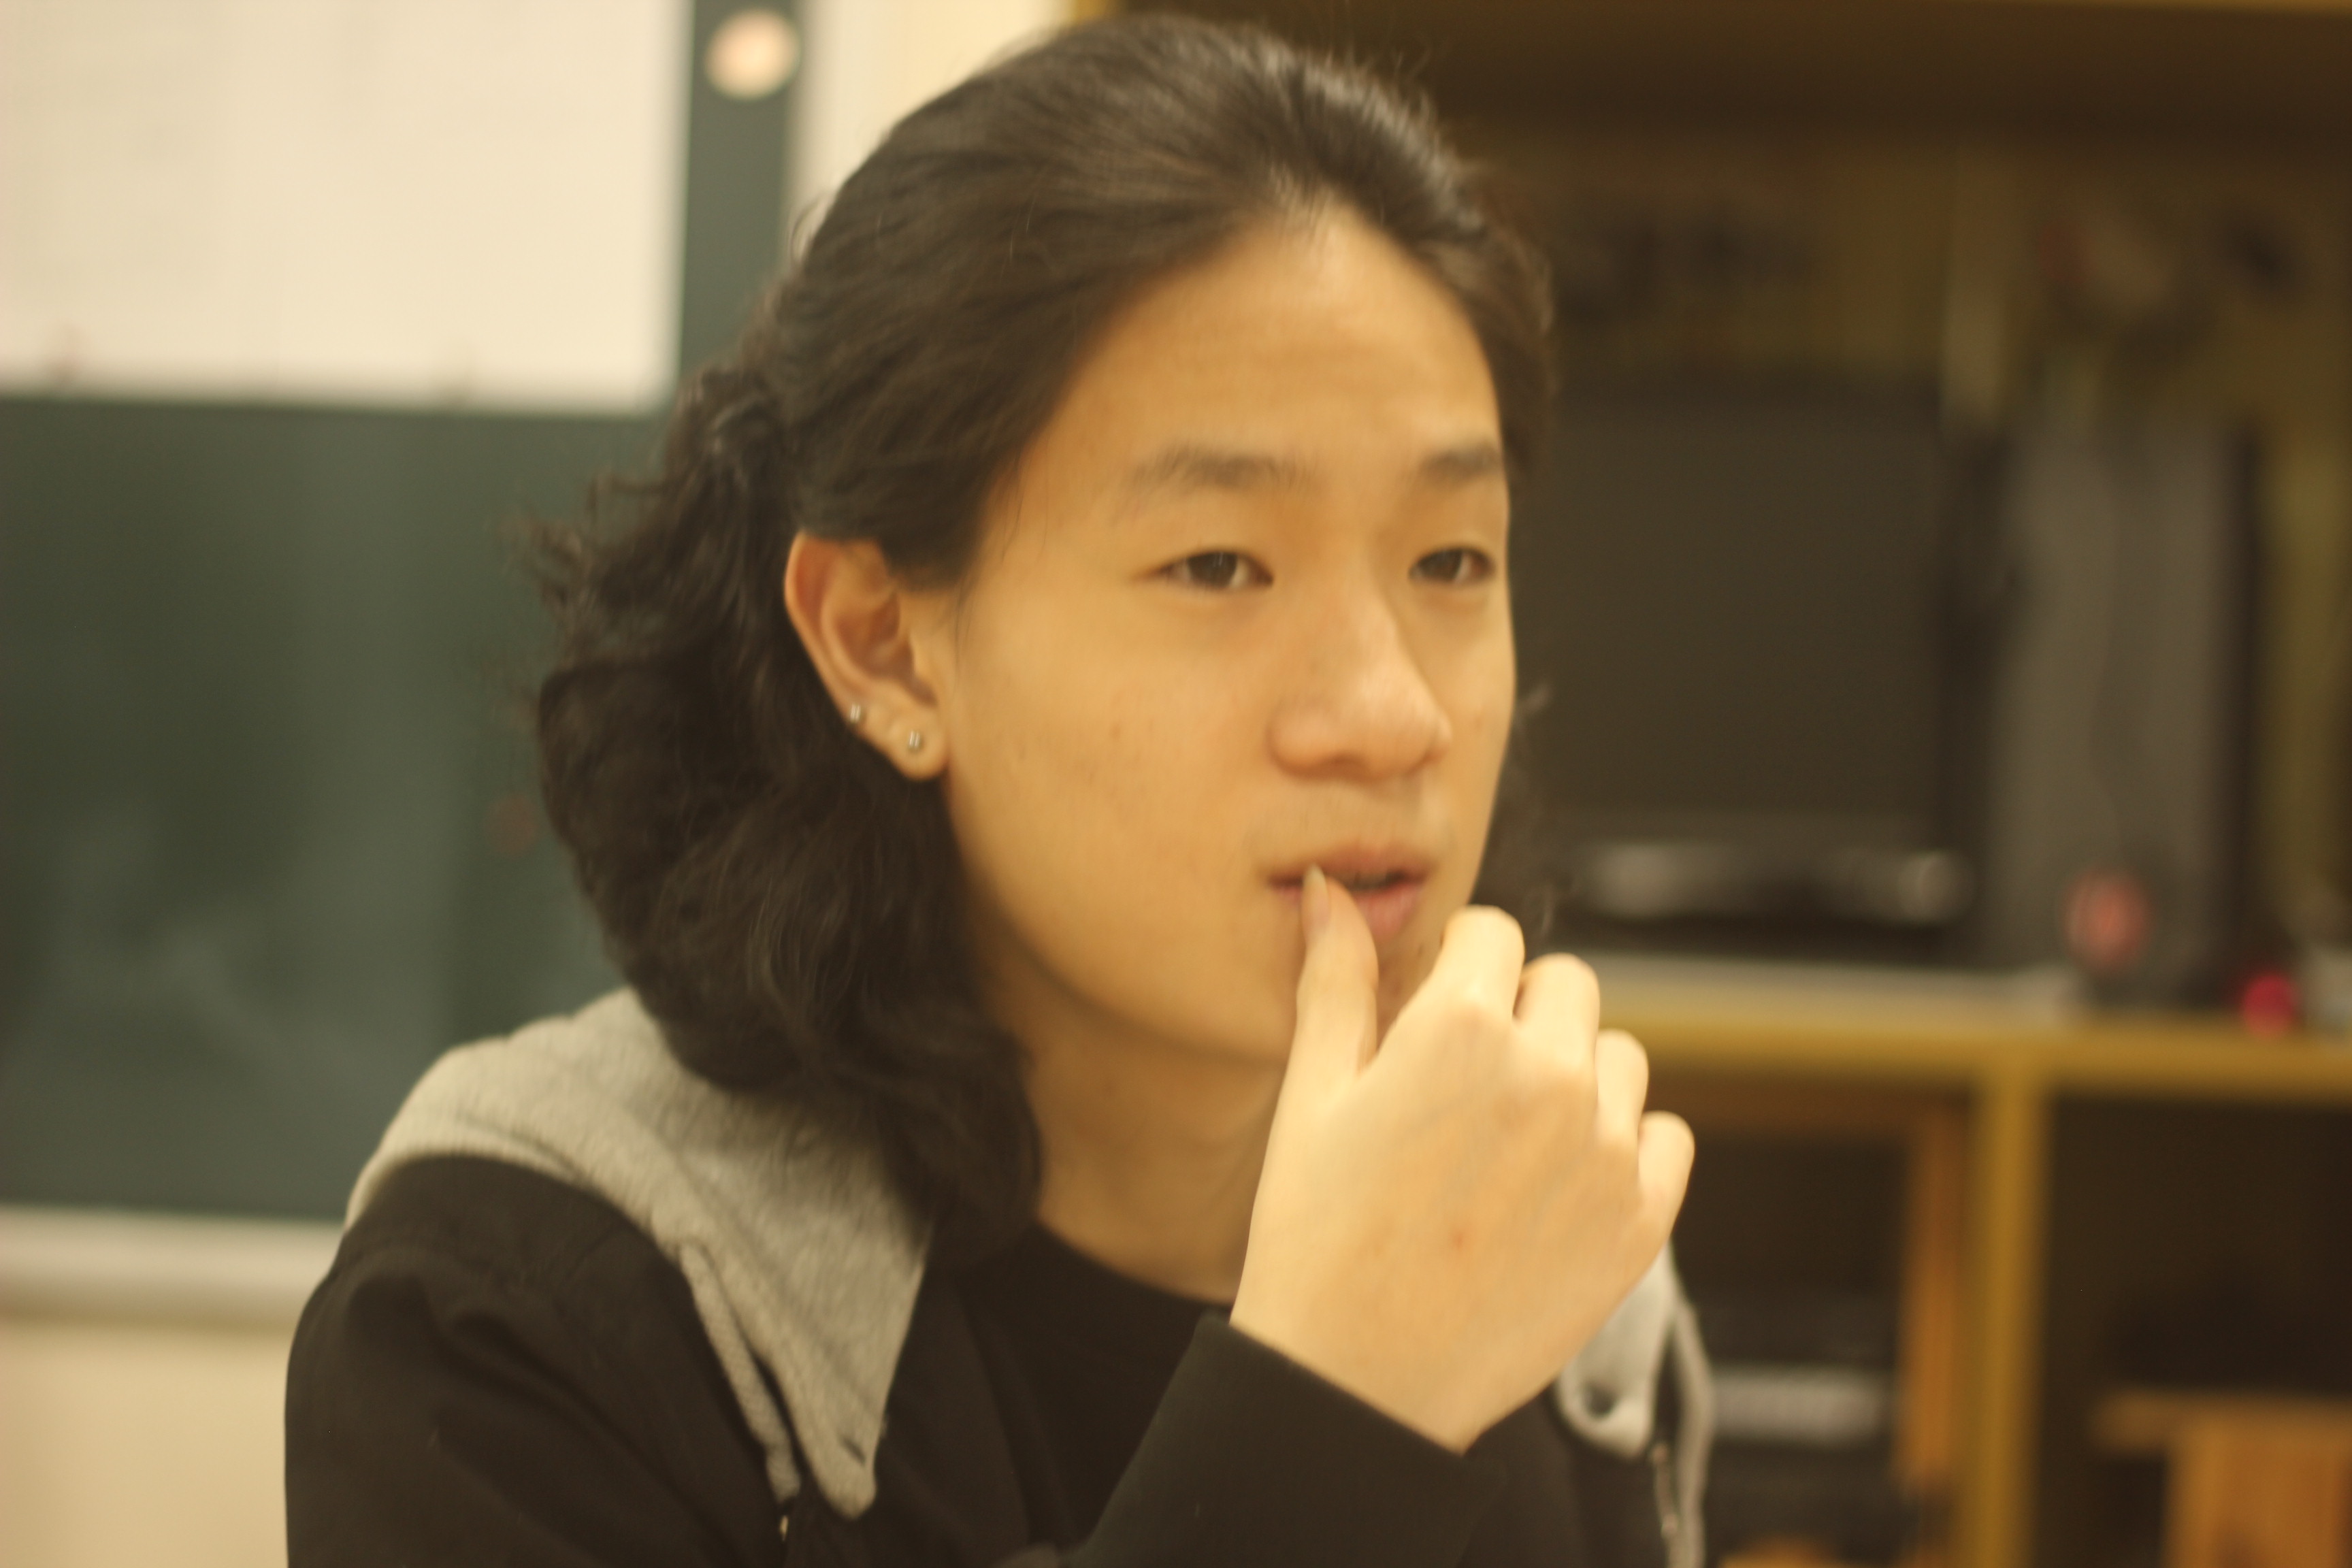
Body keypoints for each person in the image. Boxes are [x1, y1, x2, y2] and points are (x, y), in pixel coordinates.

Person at [285, 16, 1708, 1567]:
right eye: (1218, 564)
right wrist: (1337, 1416)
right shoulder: (529, 1306)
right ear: (884, 645)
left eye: (1452, 561)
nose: (1394, 714)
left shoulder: (1549, 1253)